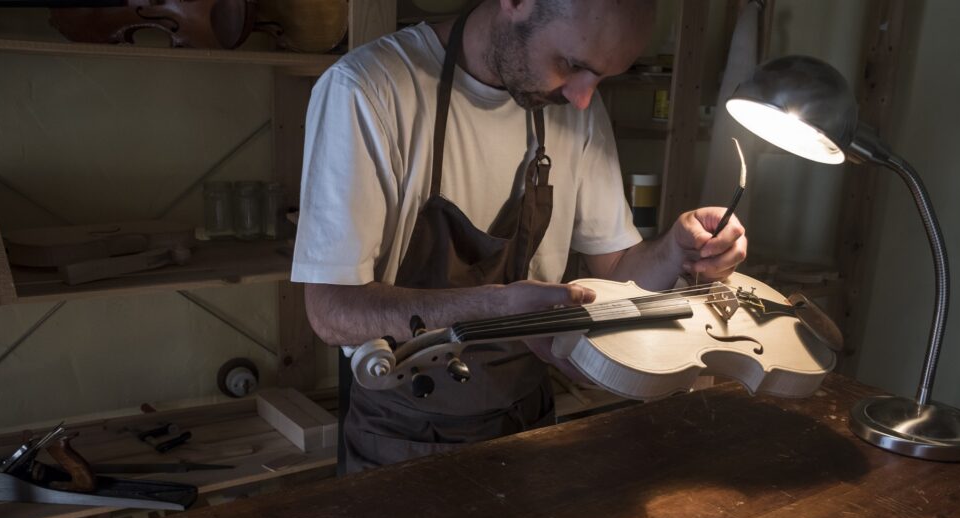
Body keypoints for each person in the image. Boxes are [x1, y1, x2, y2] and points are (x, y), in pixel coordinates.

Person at [291, 0, 748, 472]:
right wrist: (496, 307)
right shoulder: (369, 89)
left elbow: (618, 273)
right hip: (404, 437)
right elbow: (331, 310)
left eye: (601, 78)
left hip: (530, 422)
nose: (583, 98)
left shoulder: (575, 107)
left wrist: (675, 249)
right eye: (571, 65)